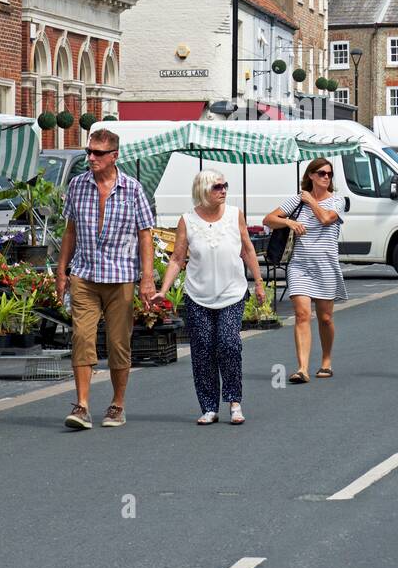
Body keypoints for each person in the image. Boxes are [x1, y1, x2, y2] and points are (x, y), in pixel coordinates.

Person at [56, 129, 156, 430]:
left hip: (121, 276)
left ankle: (117, 404)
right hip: (85, 274)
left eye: (98, 153)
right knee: (82, 338)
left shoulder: (133, 189)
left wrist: (147, 278)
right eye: (90, 152)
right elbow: (70, 230)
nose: (91, 158)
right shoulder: (77, 185)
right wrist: (62, 271)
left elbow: (145, 235)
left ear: (114, 156)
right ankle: (83, 405)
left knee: (118, 343)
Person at [158, 171, 267, 425]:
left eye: (225, 186)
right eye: (218, 187)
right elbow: (177, 259)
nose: (223, 190)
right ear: (203, 191)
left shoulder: (234, 214)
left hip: (232, 292)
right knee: (203, 349)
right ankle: (209, 407)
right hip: (198, 295)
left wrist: (259, 283)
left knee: (229, 345)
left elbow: (247, 248)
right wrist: (163, 291)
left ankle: (234, 402)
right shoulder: (187, 220)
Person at [264, 158, 346, 383]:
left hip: (326, 265)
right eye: (321, 173)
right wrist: (289, 223)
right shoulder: (297, 200)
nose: (326, 177)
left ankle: (326, 361)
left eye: (329, 174)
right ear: (310, 175)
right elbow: (269, 219)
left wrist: (310, 201)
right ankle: (302, 368)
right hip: (300, 264)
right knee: (301, 315)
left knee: (325, 318)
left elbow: (326, 219)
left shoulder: (337, 201)